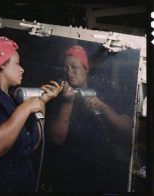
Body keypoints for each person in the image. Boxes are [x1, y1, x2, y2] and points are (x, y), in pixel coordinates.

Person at [0, 36, 64, 192]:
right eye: (17, 64)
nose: (22, 69)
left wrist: (42, 103)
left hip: (24, 178)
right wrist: (25, 109)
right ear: (2, 64)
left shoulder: (12, 96)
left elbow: (34, 144)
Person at [44, 45, 133, 191]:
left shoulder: (104, 91)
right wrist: (67, 102)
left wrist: (103, 108)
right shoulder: (57, 96)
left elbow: (128, 129)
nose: (69, 72)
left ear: (86, 69)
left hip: (102, 170)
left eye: (74, 66)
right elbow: (56, 138)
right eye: (65, 68)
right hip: (69, 172)